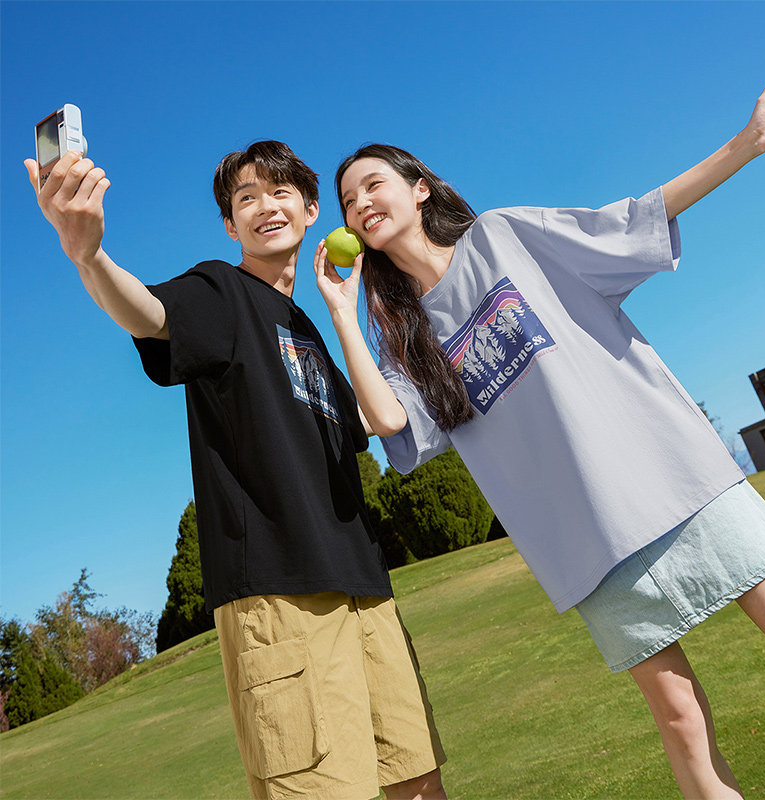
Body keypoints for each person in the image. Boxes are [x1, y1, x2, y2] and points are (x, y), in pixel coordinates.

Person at [314, 74, 765, 798]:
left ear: (419, 189)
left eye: (372, 184)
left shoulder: (501, 237)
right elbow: (389, 421)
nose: (359, 203)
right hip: (584, 541)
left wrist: (747, 144)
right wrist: (342, 312)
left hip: (674, 479)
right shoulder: (406, 340)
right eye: (348, 200)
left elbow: (629, 222)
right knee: (680, 720)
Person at [24, 140, 447, 800]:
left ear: (311, 211)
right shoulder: (221, 291)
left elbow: (380, 420)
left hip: (366, 589)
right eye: (246, 198)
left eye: (280, 192)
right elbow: (151, 315)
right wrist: (91, 257)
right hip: (281, 597)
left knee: (419, 784)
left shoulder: (307, 329)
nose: (264, 206)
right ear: (230, 225)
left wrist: (345, 311)